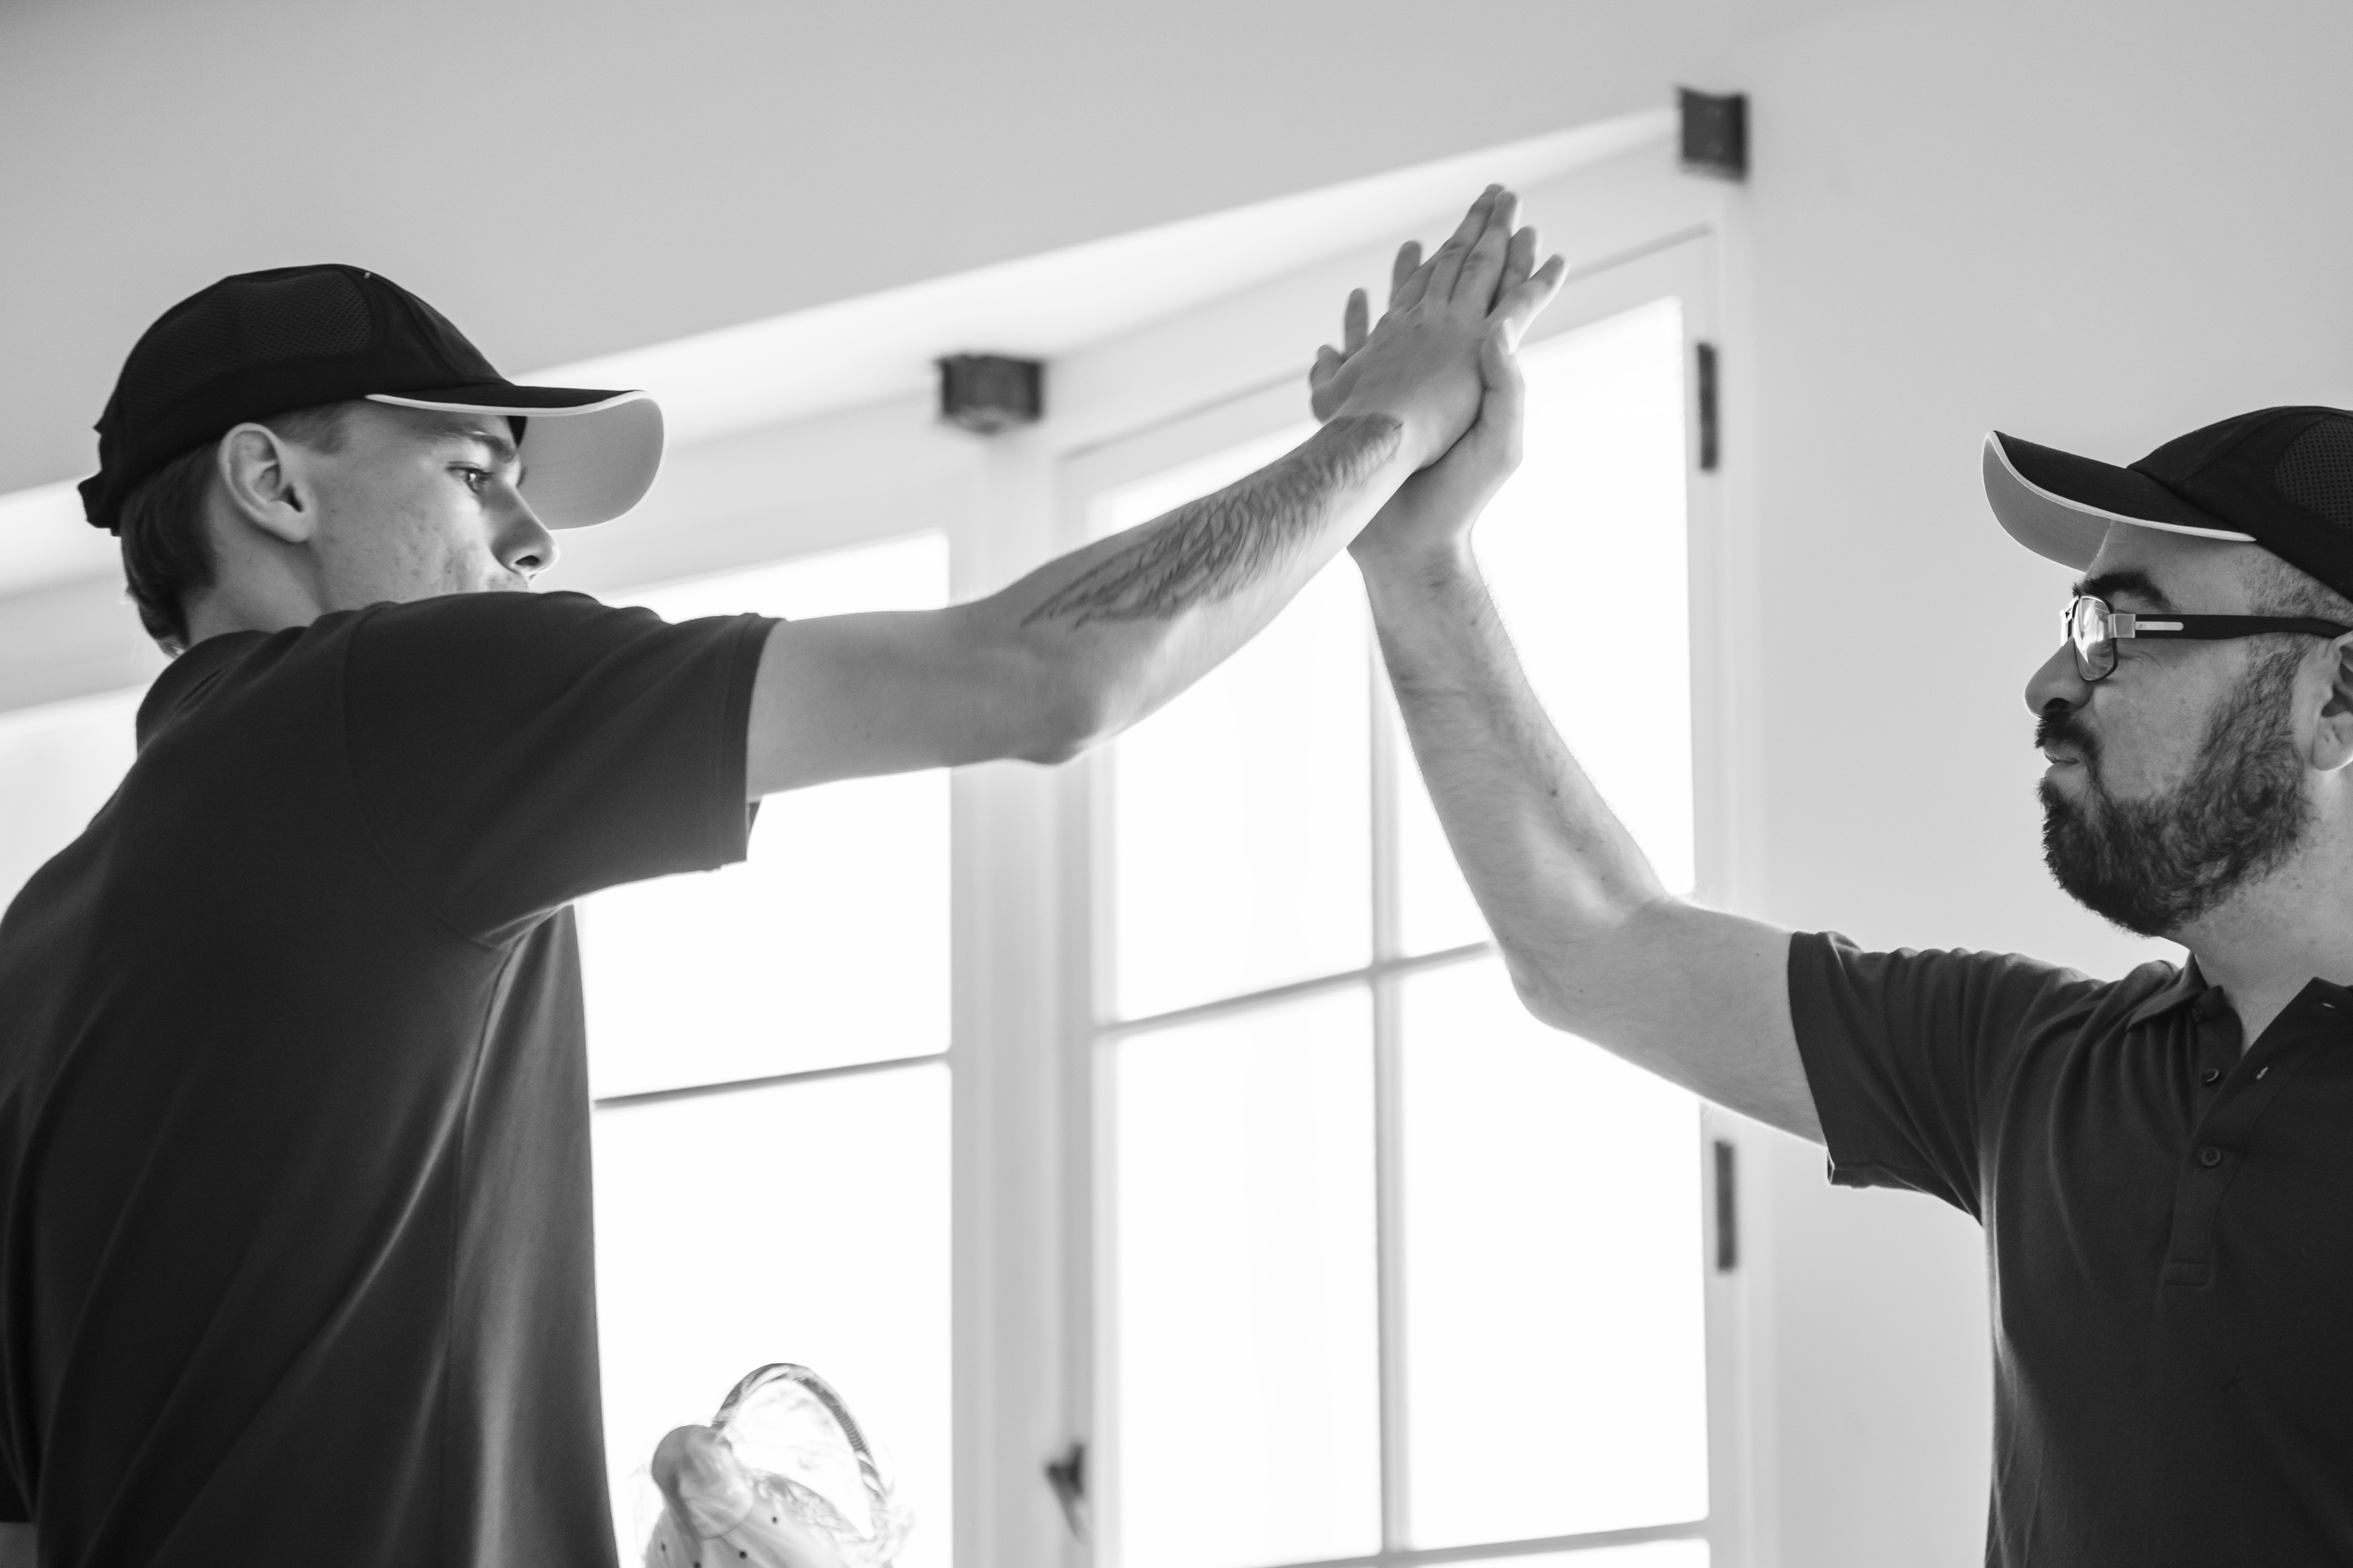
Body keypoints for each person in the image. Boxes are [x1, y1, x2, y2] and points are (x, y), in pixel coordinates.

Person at [0, 187, 1567, 1568]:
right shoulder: (383, 703)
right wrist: (1386, 432)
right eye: (476, 471)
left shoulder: (45, 942)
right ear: (273, 484)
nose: (531, 536)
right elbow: (1044, 678)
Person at [1337, 249, 2353, 1564]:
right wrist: (1415, 561)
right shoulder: (2030, 1065)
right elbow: (1592, 944)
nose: (2048, 682)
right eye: (2071, 626)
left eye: (2115, 631)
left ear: (2331, 700)